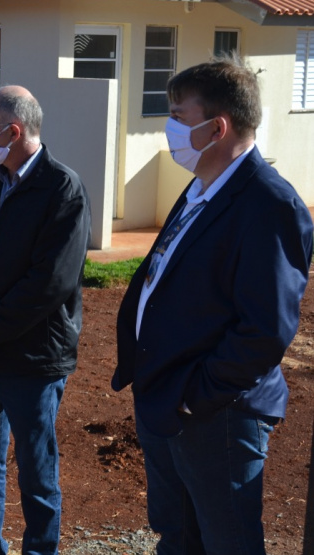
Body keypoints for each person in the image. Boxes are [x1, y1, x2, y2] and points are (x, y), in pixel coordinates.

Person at [112, 56, 313, 554]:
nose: (170, 126)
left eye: (179, 115)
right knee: (178, 537)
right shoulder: (204, 183)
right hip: (169, 400)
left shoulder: (269, 204)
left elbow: (264, 330)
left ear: (217, 126)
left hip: (216, 412)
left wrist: (194, 395)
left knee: (229, 543)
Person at [0, 85, 91, 555]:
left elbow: (49, 284)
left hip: (32, 359)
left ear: (14, 130)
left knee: (36, 470)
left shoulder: (62, 189)